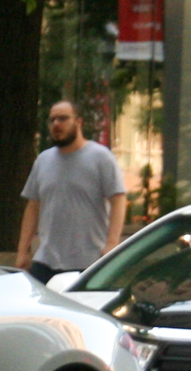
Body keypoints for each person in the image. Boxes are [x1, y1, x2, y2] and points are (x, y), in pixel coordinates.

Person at [15, 99, 127, 284]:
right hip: (46, 261)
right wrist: (22, 250)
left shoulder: (101, 157)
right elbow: (33, 206)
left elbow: (118, 200)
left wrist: (111, 244)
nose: (56, 124)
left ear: (79, 121)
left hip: (88, 262)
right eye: (52, 120)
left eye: (63, 119)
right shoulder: (43, 160)